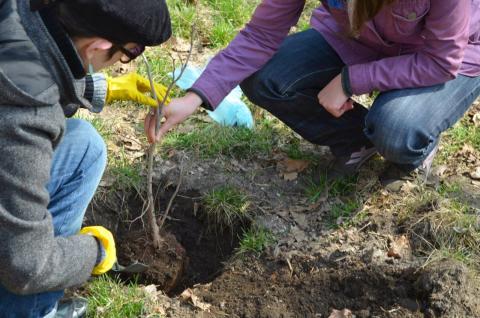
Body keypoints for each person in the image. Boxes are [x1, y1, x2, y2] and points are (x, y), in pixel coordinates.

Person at [150, 0, 480, 191]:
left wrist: (352, 80)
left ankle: (414, 143)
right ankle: (357, 139)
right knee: (267, 77)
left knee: (397, 129)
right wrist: (196, 96)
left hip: (447, 54)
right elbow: (261, 34)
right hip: (356, 38)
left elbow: (440, 60)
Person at [0, 0, 171, 317]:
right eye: (124, 56)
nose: (120, 65)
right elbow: (26, 267)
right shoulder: (26, 115)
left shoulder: (13, 12)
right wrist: (94, 252)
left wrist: (98, 88)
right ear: (98, 46)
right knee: (85, 152)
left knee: (83, 145)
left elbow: (33, 61)